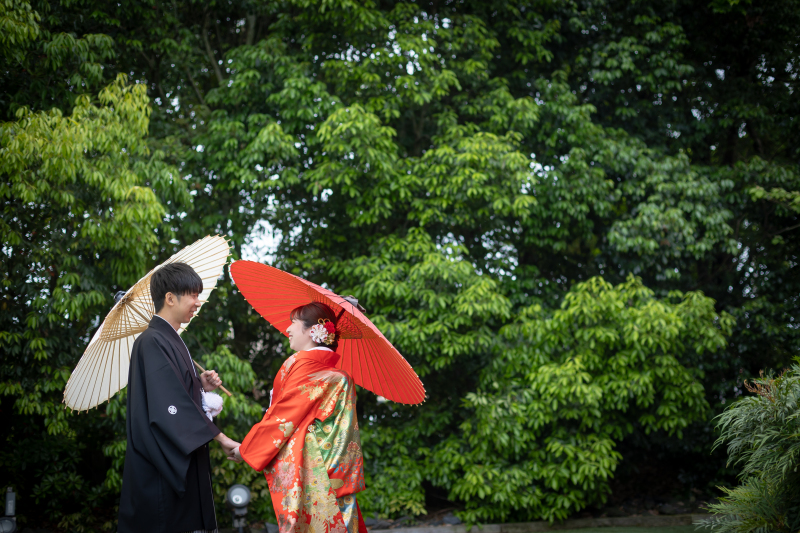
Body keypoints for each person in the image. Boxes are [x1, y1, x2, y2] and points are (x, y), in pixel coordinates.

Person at [118, 262, 240, 533]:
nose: (198, 302)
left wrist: (201, 386)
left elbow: (178, 392)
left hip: (178, 452)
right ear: (170, 298)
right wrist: (219, 437)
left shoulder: (168, 338)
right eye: (193, 295)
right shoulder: (151, 340)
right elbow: (169, 404)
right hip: (160, 461)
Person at [231, 302, 367, 533]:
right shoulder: (338, 375)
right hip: (335, 467)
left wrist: (247, 450)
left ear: (313, 330)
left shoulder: (305, 365)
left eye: (293, 323)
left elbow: (284, 416)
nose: (288, 330)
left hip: (315, 476)